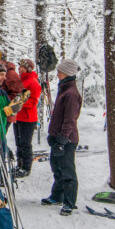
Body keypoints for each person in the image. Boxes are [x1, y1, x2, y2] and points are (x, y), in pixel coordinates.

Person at [42, 57, 82, 215]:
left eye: (60, 71)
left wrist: (62, 139)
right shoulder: (64, 89)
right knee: (56, 167)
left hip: (67, 139)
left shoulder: (71, 93)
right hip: (58, 137)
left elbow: (70, 119)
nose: (57, 73)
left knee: (67, 171)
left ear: (67, 73)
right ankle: (57, 195)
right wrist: (53, 135)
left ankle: (69, 202)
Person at [12, 59, 41, 178]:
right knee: (18, 142)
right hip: (18, 116)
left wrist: (20, 103)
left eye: (22, 67)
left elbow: (33, 101)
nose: (20, 69)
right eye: (19, 67)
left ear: (28, 68)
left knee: (25, 143)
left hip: (28, 118)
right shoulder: (21, 80)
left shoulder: (33, 82)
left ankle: (26, 167)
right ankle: (19, 165)